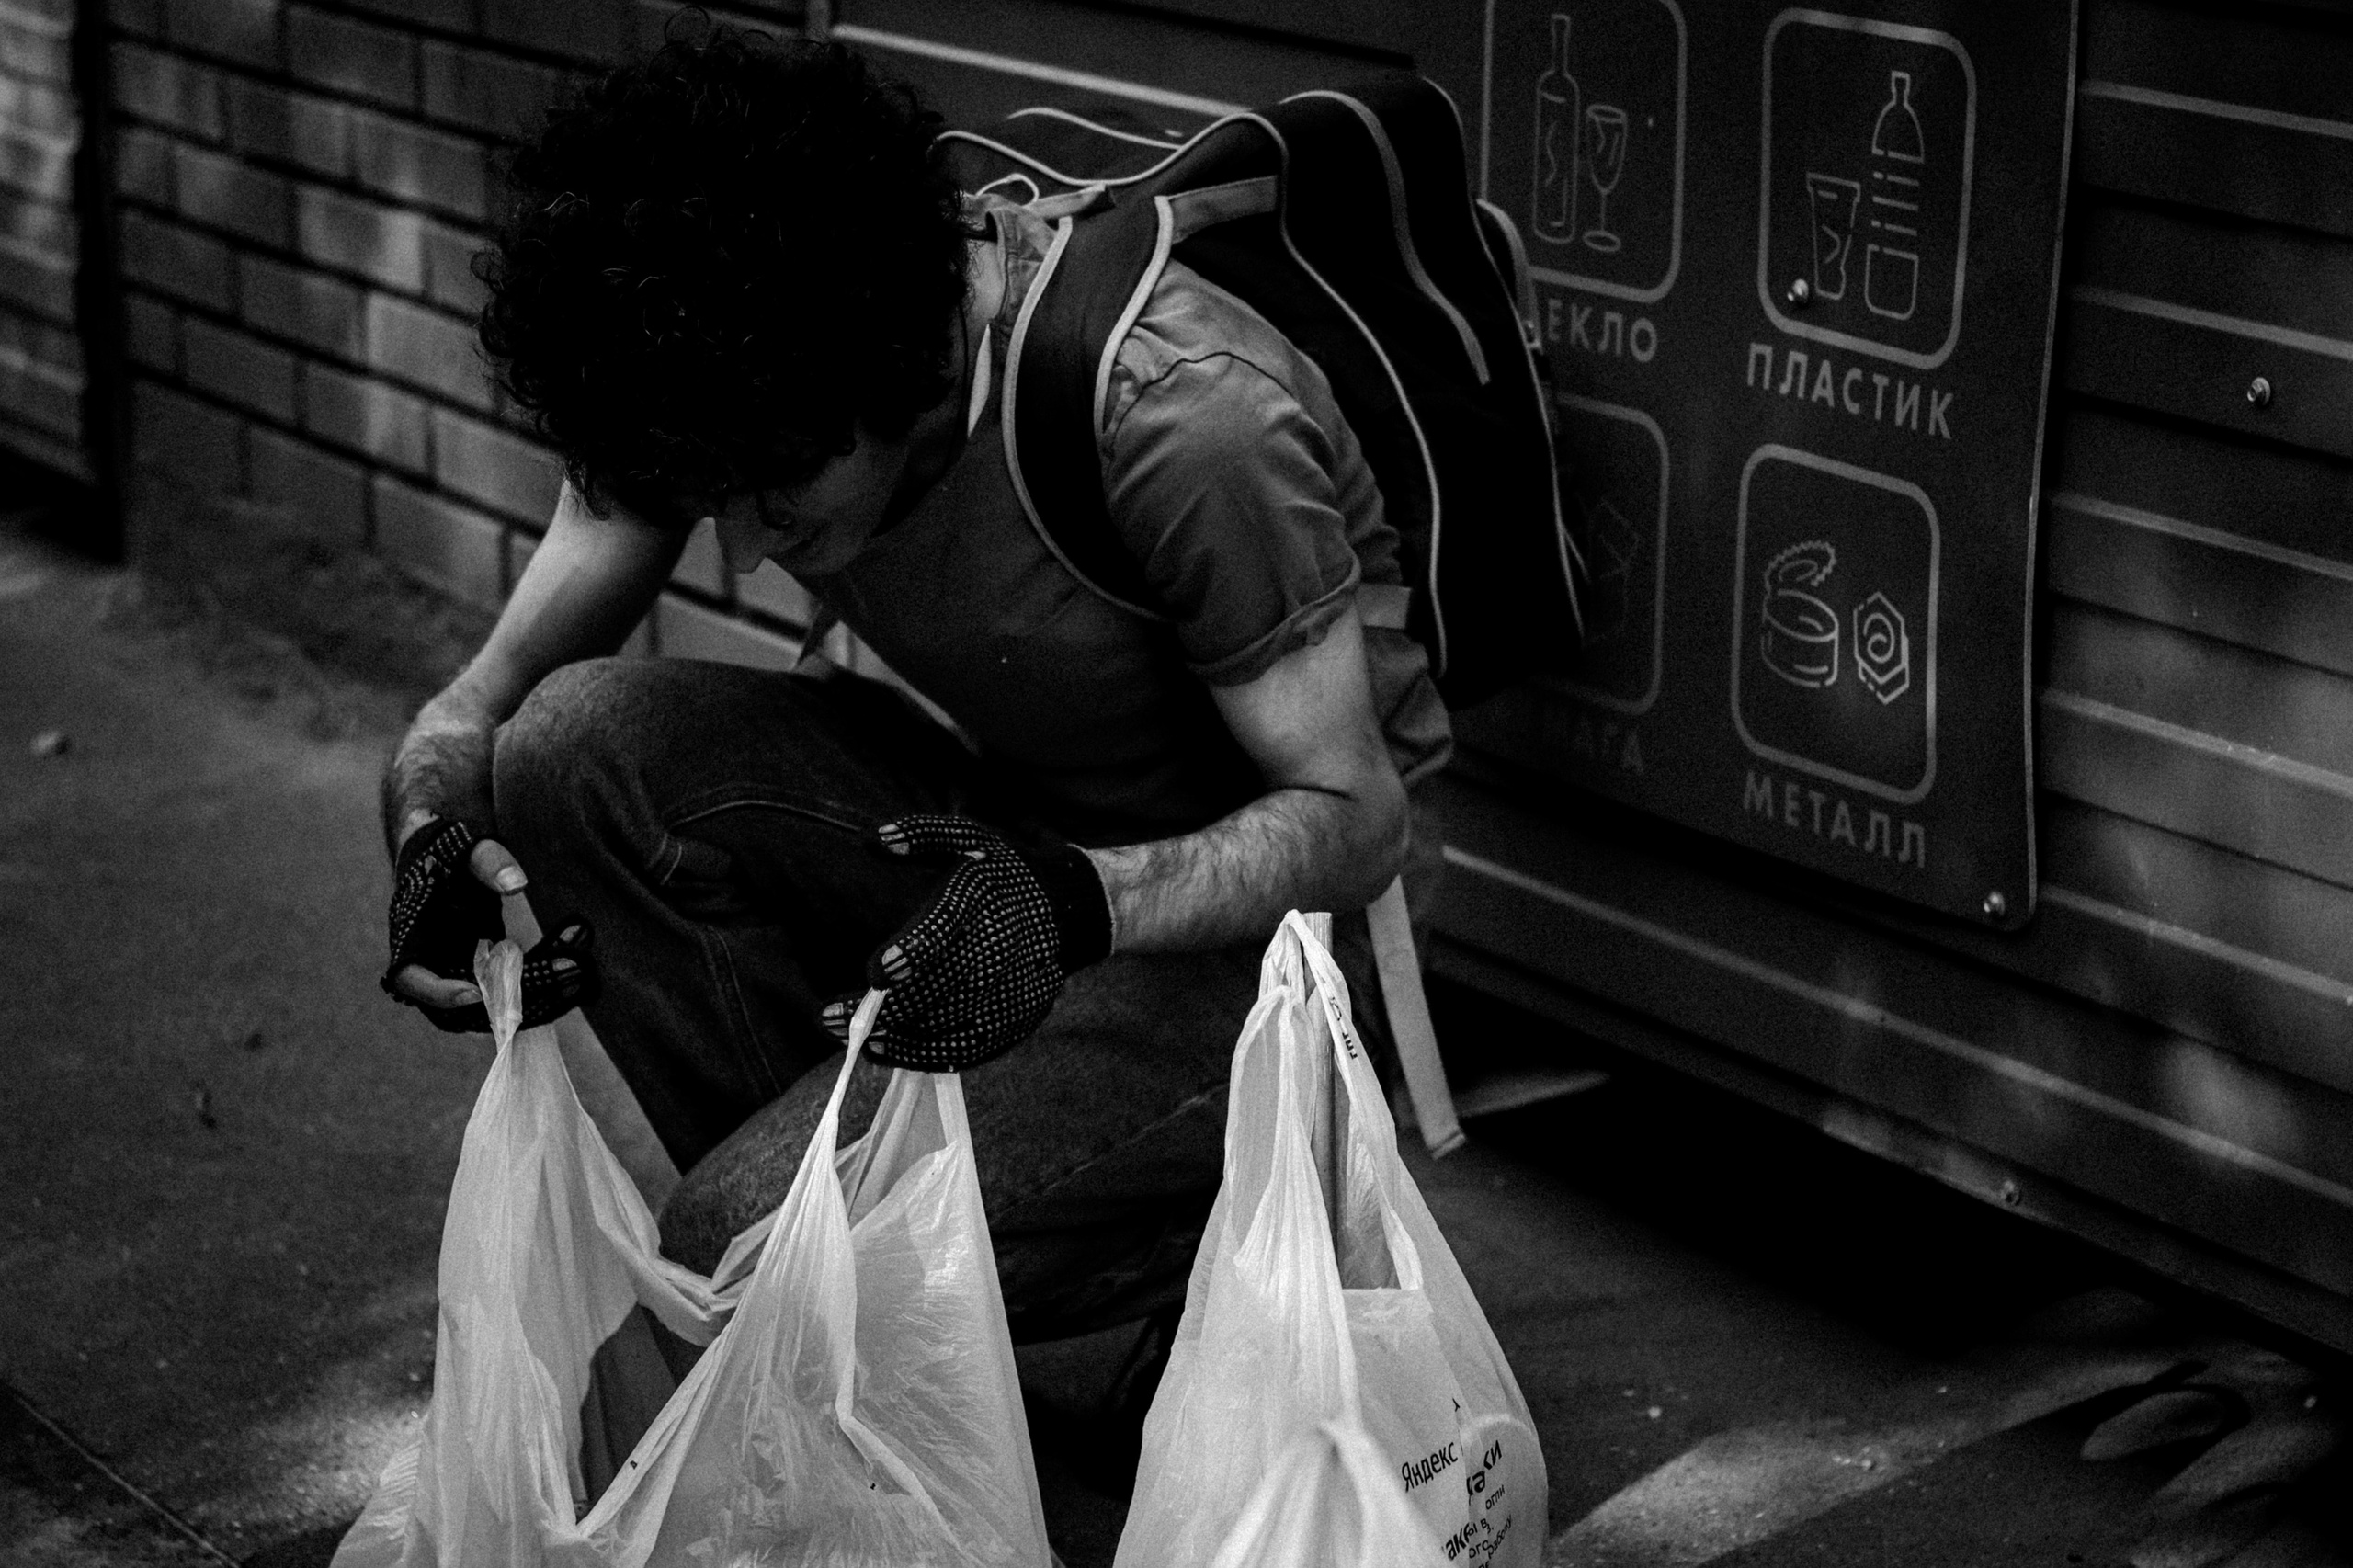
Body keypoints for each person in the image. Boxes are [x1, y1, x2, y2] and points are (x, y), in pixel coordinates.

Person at [377, 28, 1450, 1364]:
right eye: (713, 497)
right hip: (1019, 853)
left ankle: (1178, 1287)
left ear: (901, 362)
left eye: (779, 496)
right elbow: (477, 716)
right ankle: (858, 1282)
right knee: (571, 749)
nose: (747, 546)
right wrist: (427, 821)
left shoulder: (1177, 418)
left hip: (1251, 952)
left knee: (737, 1252)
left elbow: (1361, 825)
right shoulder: (735, 378)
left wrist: (1077, 906)